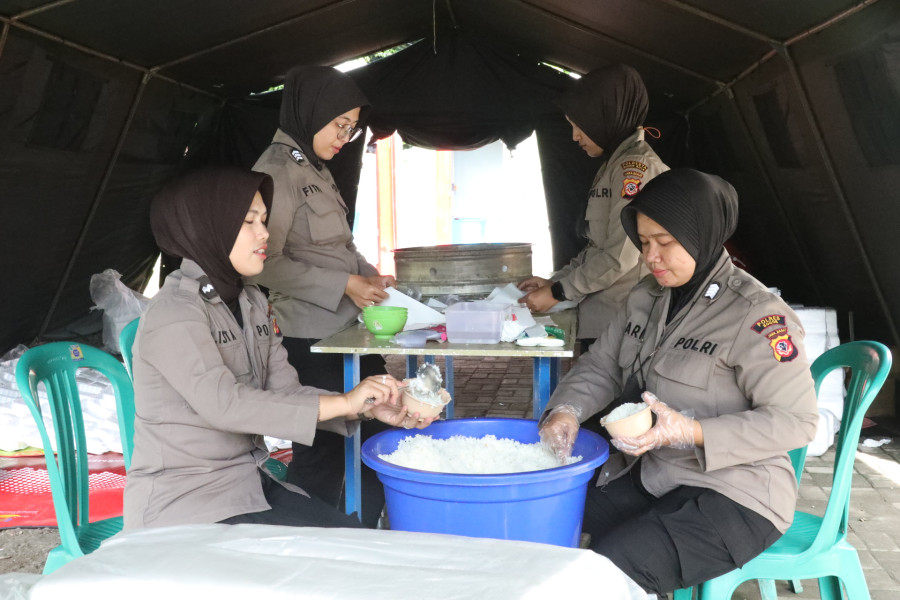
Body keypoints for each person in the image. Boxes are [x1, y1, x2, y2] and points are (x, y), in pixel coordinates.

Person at [538, 169, 819, 596]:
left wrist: (690, 431)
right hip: (655, 473)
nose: (651, 256)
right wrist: (566, 411)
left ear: (703, 233)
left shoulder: (757, 315)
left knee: (614, 566)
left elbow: (796, 422)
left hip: (737, 493)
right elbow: (601, 366)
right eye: (645, 242)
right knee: (546, 514)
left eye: (665, 242)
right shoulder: (645, 298)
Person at [124, 166, 432, 531]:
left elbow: (286, 391)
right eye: (248, 221)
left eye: (264, 220)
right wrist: (347, 402)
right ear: (208, 228)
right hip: (186, 503)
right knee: (342, 559)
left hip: (248, 486)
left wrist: (365, 407)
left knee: (356, 541)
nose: (264, 232)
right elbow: (226, 405)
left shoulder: (250, 300)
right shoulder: (175, 312)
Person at [249, 66, 397, 527]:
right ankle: (312, 545)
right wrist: (343, 285)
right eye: (339, 125)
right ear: (310, 111)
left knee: (373, 433)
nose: (345, 137)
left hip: (347, 328)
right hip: (309, 338)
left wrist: (370, 277)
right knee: (323, 449)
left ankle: (364, 534)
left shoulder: (315, 169)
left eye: (351, 129)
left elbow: (341, 247)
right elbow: (263, 261)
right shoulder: (274, 171)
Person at [518, 63, 669, 348]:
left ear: (605, 117)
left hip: (625, 326)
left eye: (579, 126)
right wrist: (556, 282)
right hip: (604, 320)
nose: (575, 136)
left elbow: (619, 256)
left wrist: (559, 292)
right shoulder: (612, 166)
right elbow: (596, 246)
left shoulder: (635, 169)